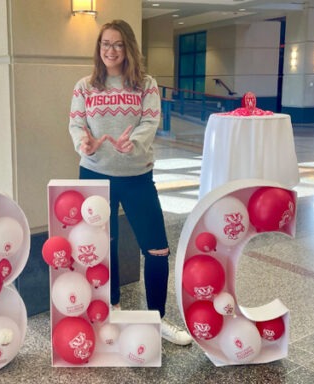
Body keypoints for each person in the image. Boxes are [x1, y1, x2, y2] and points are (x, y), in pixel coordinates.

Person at [68, 19, 192, 346]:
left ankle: (157, 319)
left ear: (128, 48)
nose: (111, 50)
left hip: (137, 176)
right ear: (99, 48)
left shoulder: (146, 85)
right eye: (105, 44)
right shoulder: (85, 85)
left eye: (118, 44)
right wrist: (84, 143)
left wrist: (132, 143)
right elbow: (76, 123)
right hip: (94, 176)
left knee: (157, 249)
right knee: (102, 247)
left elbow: (151, 121)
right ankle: (110, 309)